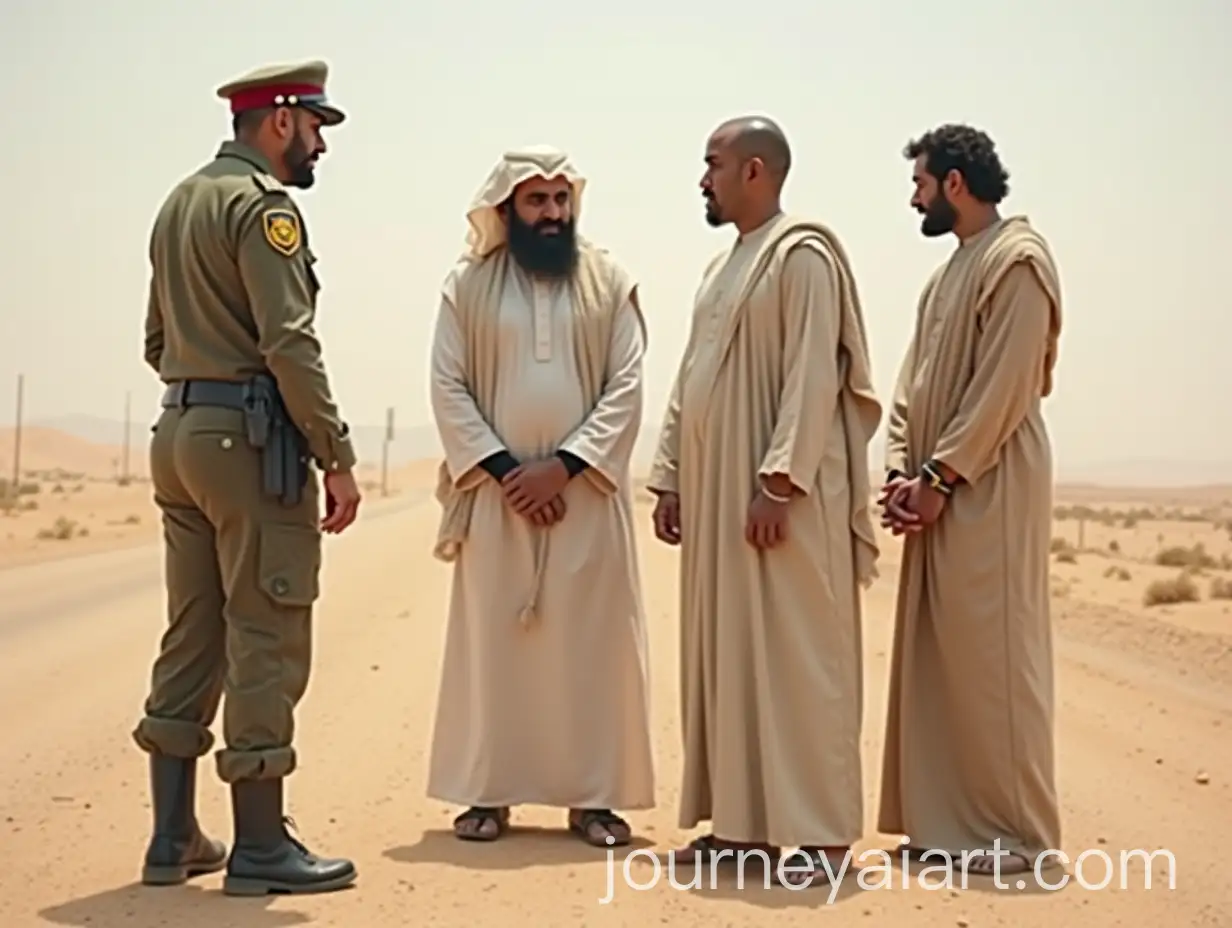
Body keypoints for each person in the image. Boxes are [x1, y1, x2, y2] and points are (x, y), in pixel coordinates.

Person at [132, 59, 361, 896]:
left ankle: (172, 840)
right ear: (278, 122)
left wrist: (201, 385)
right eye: (315, 129)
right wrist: (333, 453)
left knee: (192, 629)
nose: (319, 148)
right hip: (248, 441)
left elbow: (156, 340)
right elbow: (289, 342)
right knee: (265, 628)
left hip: (178, 432)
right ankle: (261, 846)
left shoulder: (179, 202)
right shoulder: (264, 209)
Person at [646, 116, 882, 887]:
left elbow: (814, 375)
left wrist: (779, 481)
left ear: (755, 171)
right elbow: (689, 380)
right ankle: (742, 828)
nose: (702, 179)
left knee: (799, 661)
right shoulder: (723, 268)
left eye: (711, 164)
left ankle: (820, 837)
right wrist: (673, 473)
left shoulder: (803, 255)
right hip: (719, 502)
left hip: (782, 501)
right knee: (728, 658)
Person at [425, 145, 655, 847]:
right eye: (537, 201)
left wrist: (566, 466)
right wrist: (504, 472)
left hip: (585, 497)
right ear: (507, 209)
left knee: (593, 649)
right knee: (495, 649)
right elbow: (446, 384)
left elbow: (629, 382)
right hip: (497, 502)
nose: (552, 214)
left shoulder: (610, 280)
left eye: (562, 200)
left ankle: (595, 801)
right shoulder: (467, 286)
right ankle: (488, 796)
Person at [876, 123, 1064, 877]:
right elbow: (909, 384)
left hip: (988, 490)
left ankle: (1016, 836)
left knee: (994, 662)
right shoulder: (947, 274)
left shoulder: (1018, 262)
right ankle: (948, 826)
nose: (913, 197)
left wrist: (942, 478)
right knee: (940, 660)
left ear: (955, 183)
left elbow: (1005, 388)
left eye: (920, 183)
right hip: (933, 492)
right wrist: (898, 470)